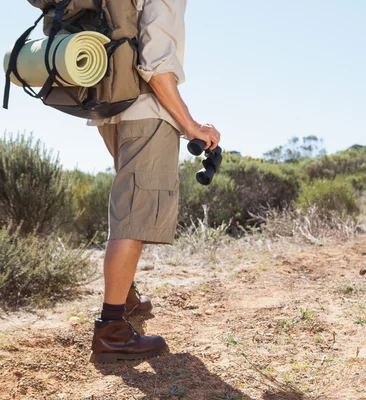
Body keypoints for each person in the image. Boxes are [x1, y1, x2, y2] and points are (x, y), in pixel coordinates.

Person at [88, 0, 221, 363]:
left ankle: (125, 296)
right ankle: (112, 331)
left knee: (129, 203)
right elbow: (157, 65)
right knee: (135, 215)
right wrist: (191, 125)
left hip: (108, 109)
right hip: (146, 113)